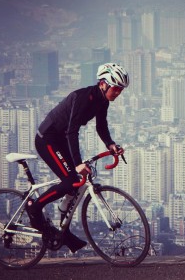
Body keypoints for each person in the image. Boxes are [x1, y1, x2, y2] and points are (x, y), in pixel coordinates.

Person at [26, 62, 129, 253]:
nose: (117, 94)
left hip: (61, 138)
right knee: (70, 181)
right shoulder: (84, 97)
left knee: (77, 182)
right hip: (47, 138)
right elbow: (72, 132)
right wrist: (78, 163)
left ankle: (61, 228)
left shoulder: (102, 101)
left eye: (120, 91)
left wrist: (111, 145)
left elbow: (101, 126)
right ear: (103, 84)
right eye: (115, 89)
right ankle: (34, 205)